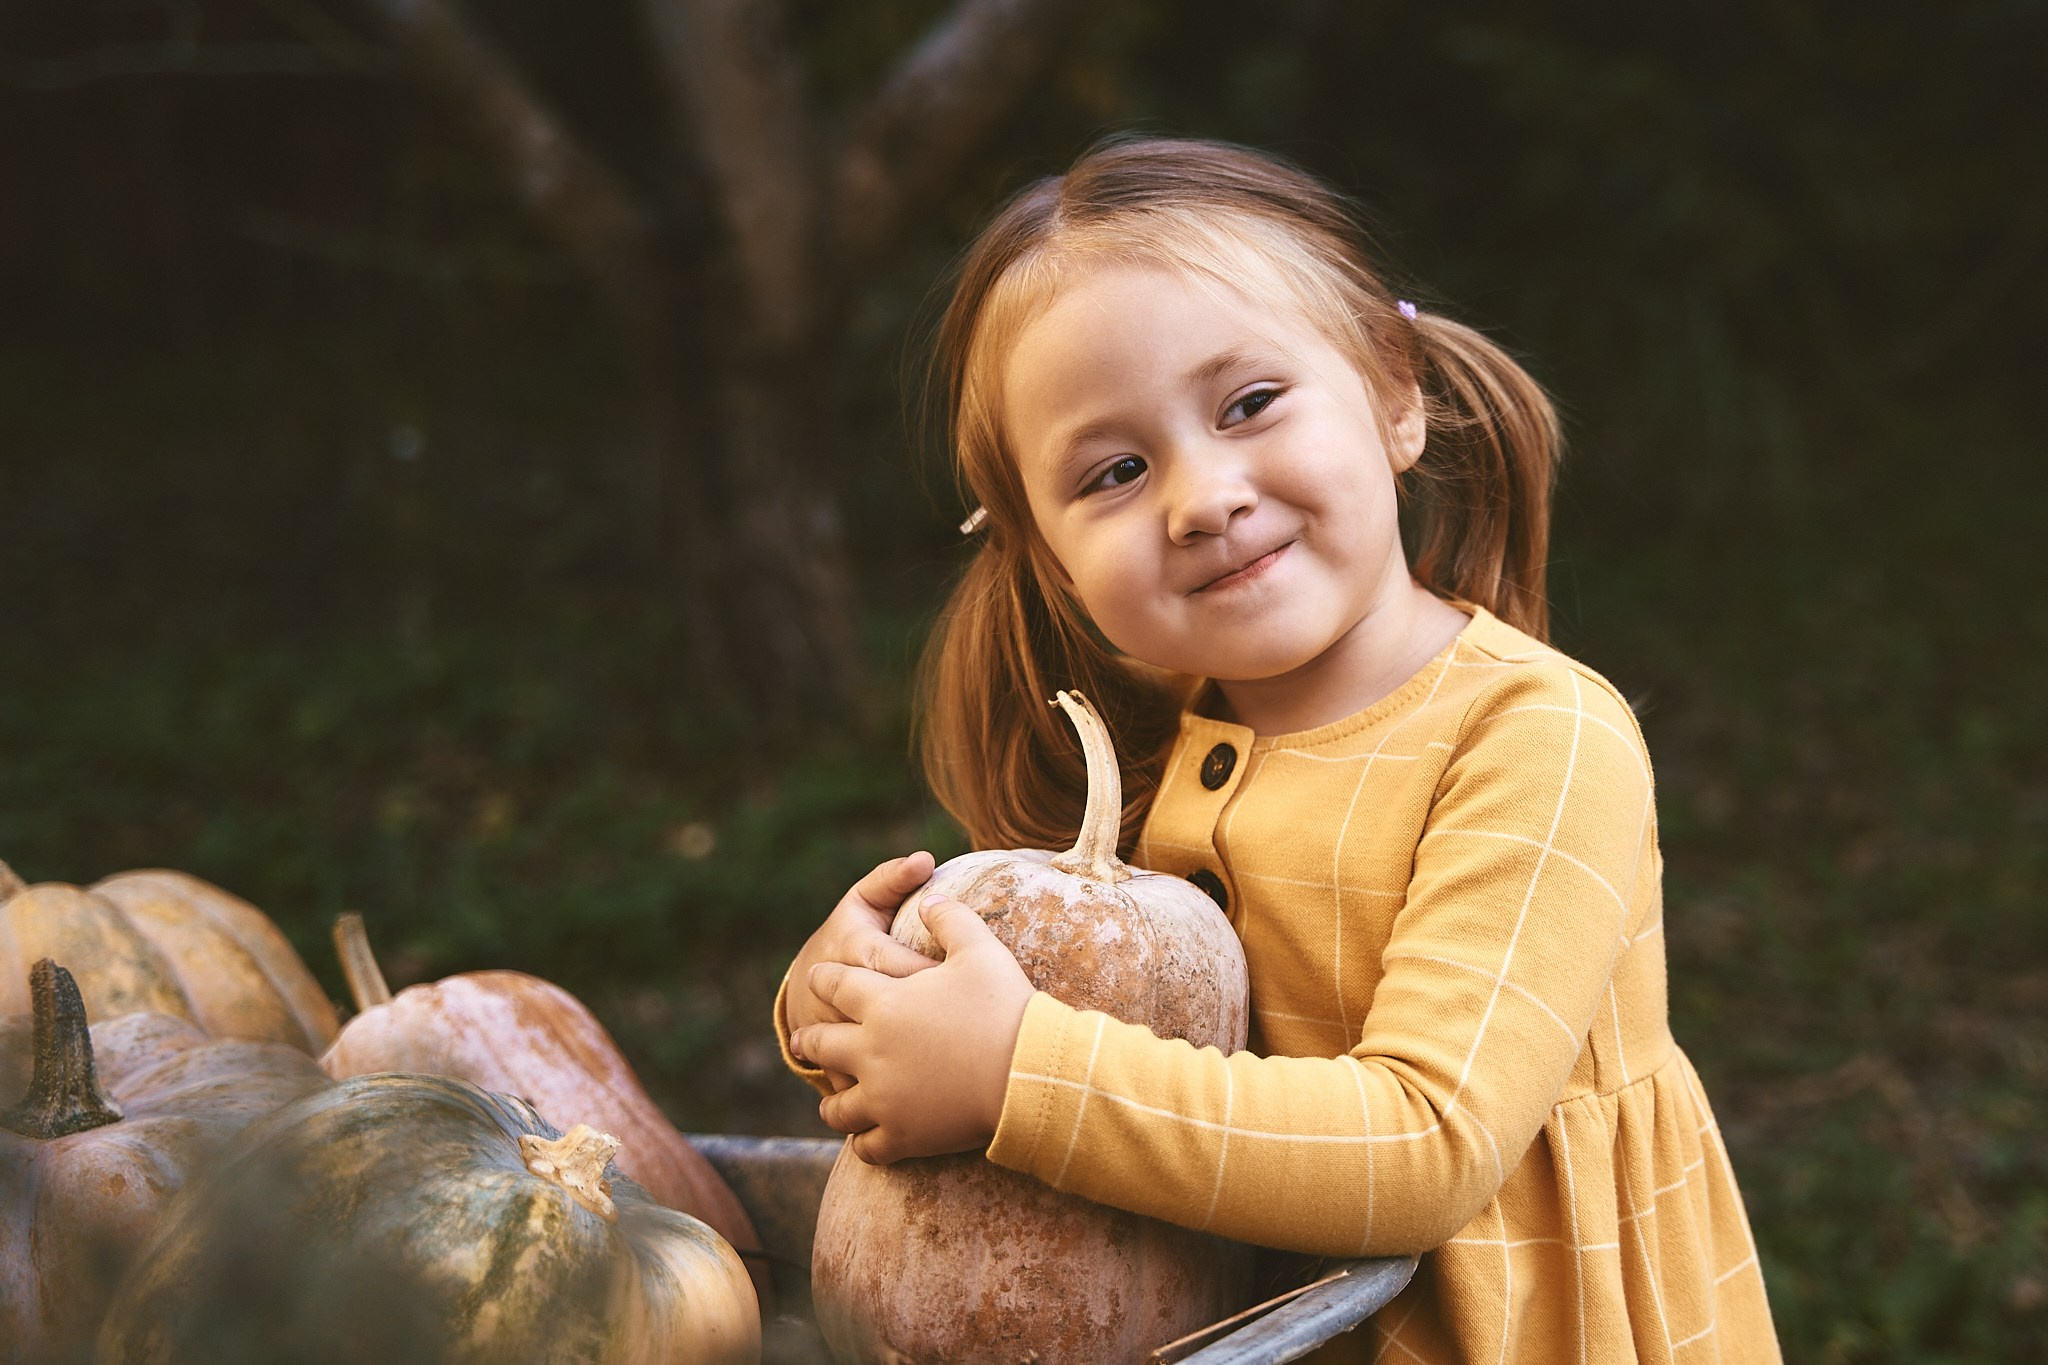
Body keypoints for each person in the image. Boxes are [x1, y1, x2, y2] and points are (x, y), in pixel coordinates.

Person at [777, 136, 1782, 1363]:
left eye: (1247, 404)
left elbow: (1427, 1148)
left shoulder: (1533, 738)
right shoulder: (1143, 752)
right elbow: (1015, 1015)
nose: (1201, 498)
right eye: (1114, 471)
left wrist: (1015, 1076)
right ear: (1049, 559)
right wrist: (846, 1007)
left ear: (1394, 396)